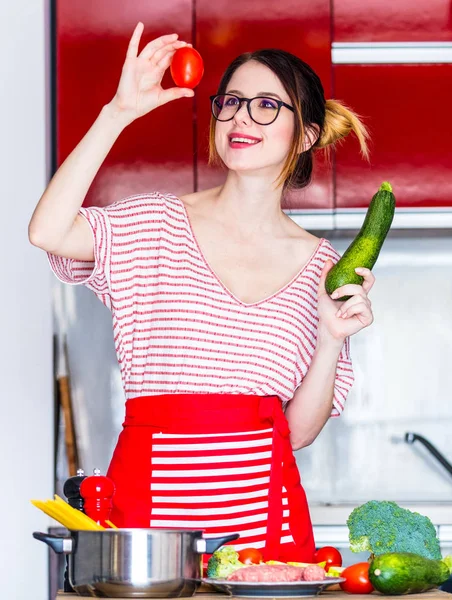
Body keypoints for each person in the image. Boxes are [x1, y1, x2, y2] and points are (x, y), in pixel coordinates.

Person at [29, 22, 375, 562]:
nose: (241, 117)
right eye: (231, 102)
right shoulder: (155, 223)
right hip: (150, 515)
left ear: (305, 134)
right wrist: (117, 111)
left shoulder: (322, 268)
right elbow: (47, 231)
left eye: (267, 105)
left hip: (267, 520)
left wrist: (331, 339)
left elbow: (300, 432)